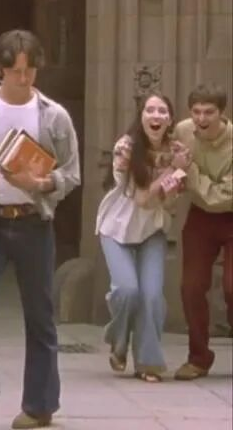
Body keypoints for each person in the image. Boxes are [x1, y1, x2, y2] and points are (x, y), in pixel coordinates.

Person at [0, 29, 80, 428]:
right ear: (0, 69)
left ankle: (40, 405)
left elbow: (71, 172)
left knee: (40, 313)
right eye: (16, 71)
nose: (24, 78)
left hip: (34, 221)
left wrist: (42, 183)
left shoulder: (53, 115)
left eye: (30, 70)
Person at [96, 92, 189, 382]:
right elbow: (142, 199)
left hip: (153, 229)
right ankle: (119, 339)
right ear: (141, 117)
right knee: (127, 290)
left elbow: (169, 201)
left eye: (162, 111)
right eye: (150, 110)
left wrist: (175, 177)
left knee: (151, 296)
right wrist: (172, 169)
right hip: (117, 226)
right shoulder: (125, 147)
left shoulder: (178, 149)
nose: (156, 116)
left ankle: (148, 362)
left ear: (170, 119)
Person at [173, 83, 233, 381]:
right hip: (199, 218)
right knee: (191, 287)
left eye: (209, 112)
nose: (201, 119)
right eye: (196, 112)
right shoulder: (183, 131)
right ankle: (198, 358)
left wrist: (190, 172)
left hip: (230, 213)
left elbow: (223, 196)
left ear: (222, 113)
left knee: (232, 287)